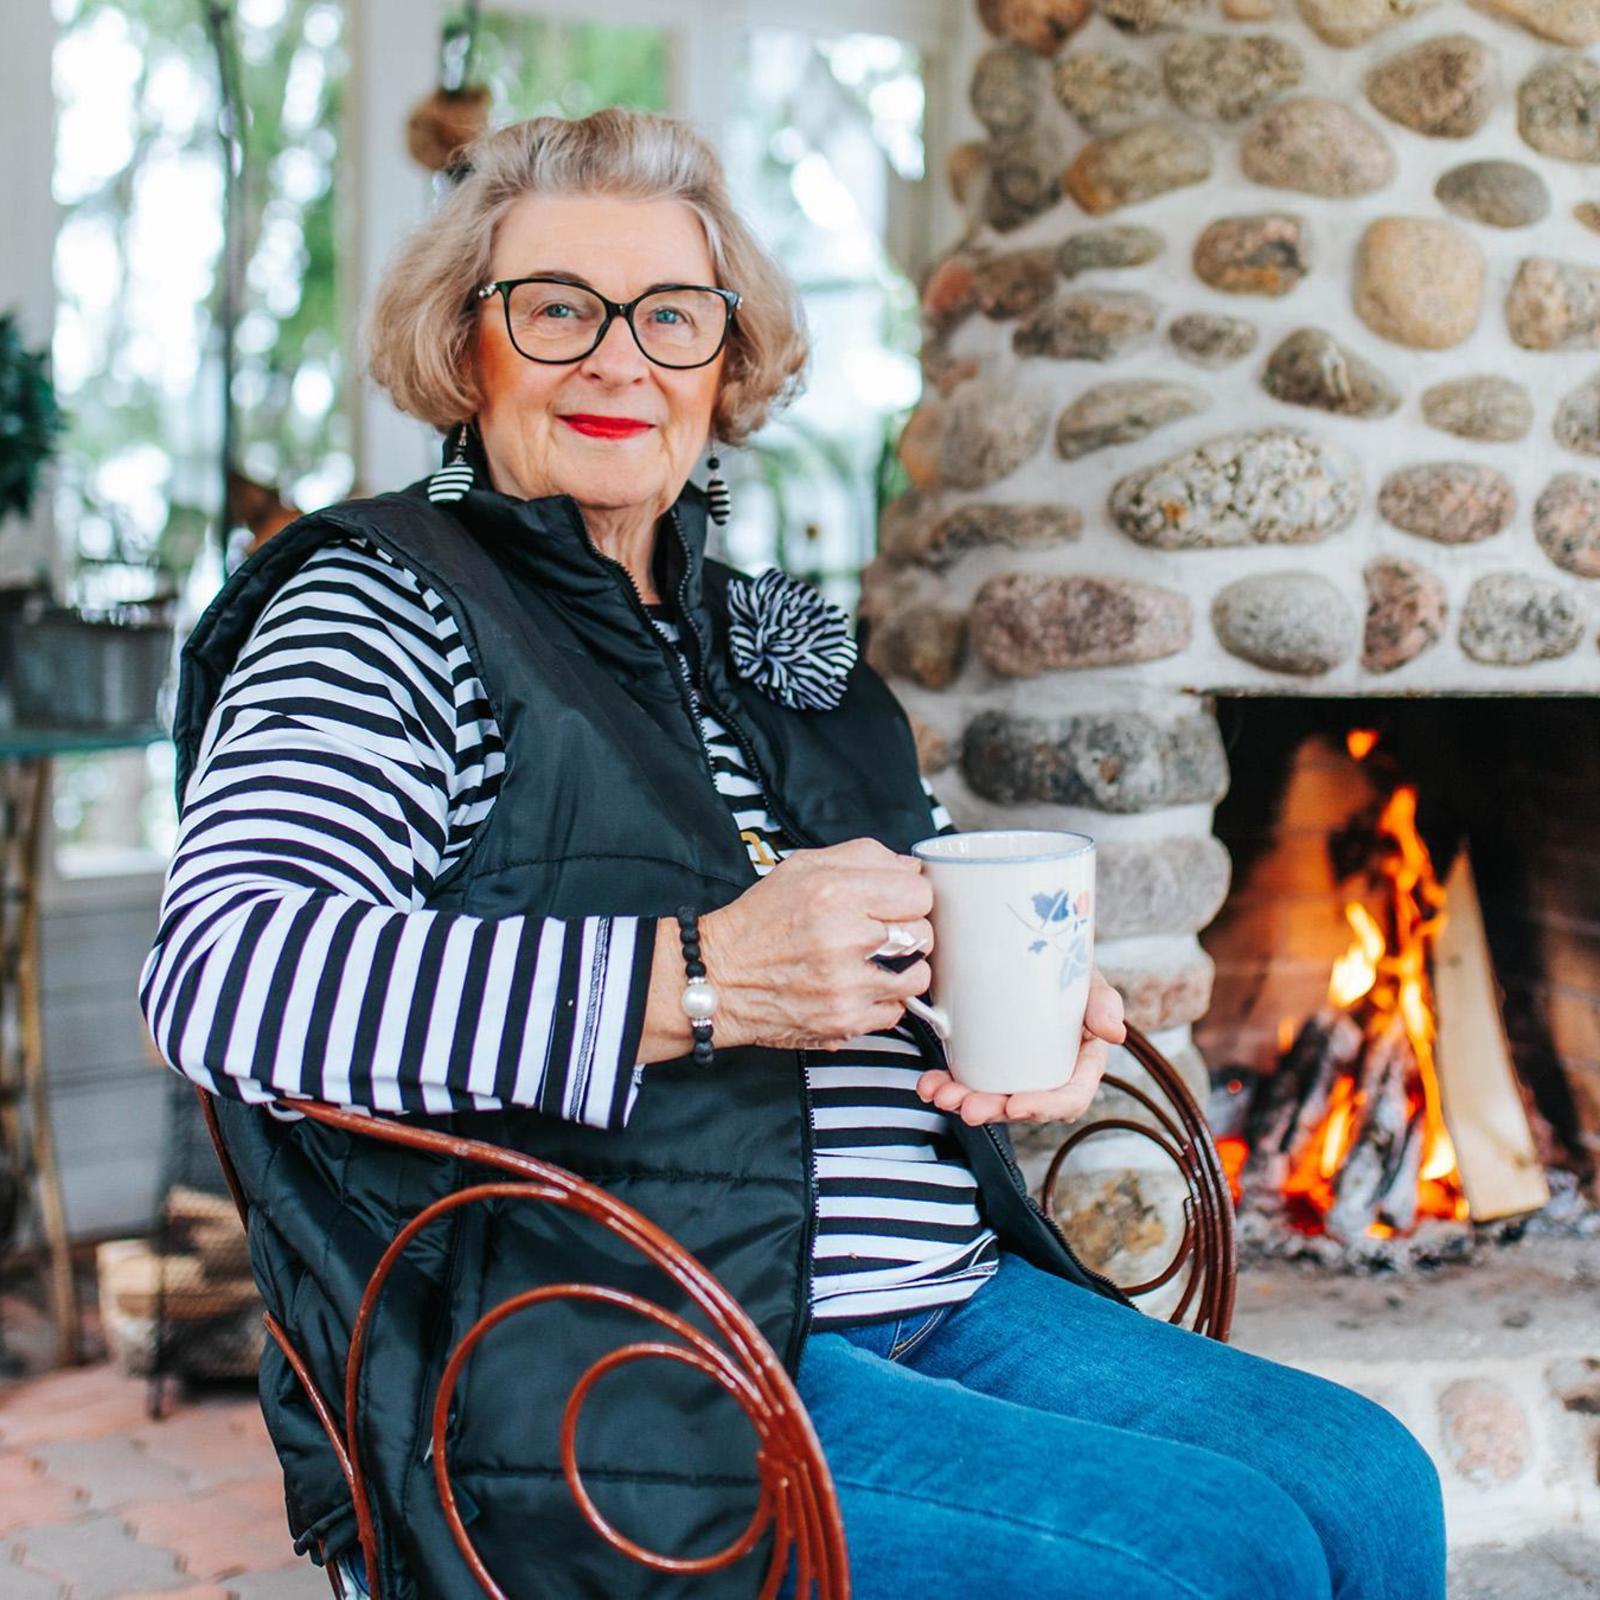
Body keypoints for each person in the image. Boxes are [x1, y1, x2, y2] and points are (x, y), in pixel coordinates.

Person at [139, 108, 1445, 1600]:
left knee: (1367, 1483)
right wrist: (702, 980)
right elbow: (227, 977)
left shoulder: (771, 646)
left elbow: (921, 919)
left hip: (939, 1289)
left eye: (672, 317)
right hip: (626, 1348)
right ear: (466, 343)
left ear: (726, 360)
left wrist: (1030, 1004)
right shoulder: (382, 605)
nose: (619, 359)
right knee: (1226, 1551)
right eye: (558, 308)